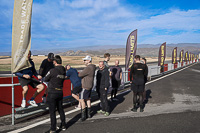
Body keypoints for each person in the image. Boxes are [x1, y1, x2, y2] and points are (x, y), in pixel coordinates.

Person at [44, 55, 67, 132]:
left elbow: (46, 79)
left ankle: (53, 128)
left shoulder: (52, 70)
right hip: (60, 91)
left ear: (55, 62)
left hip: (52, 92)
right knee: (60, 109)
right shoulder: (63, 70)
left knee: (52, 112)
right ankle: (63, 125)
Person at [78, 55, 96, 121]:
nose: (84, 61)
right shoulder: (93, 67)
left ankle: (83, 116)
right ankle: (89, 114)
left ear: (89, 61)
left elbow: (80, 75)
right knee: (88, 99)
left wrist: (81, 72)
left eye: (85, 60)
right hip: (90, 85)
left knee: (82, 99)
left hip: (85, 85)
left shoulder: (88, 68)